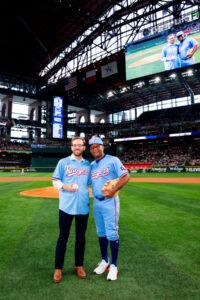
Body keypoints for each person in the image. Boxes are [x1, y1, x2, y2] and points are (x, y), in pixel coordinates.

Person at [89, 136, 129, 281]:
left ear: (102, 146)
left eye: (97, 146)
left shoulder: (113, 160)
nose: (95, 149)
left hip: (110, 201)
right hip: (97, 202)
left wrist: (113, 191)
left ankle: (114, 265)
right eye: (92, 147)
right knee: (101, 232)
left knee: (112, 233)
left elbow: (126, 176)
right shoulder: (92, 165)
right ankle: (105, 261)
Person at [52, 136, 91, 282]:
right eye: (75, 145)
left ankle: (79, 265)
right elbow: (55, 180)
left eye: (80, 145)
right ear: (71, 147)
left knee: (81, 238)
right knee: (63, 237)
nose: (77, 147)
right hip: (66, 206)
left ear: (84, 147)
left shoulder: (88, 165)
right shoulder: (63, 162)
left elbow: (91, 183)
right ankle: (58, 268)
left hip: (83, 206)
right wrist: (66, 186)